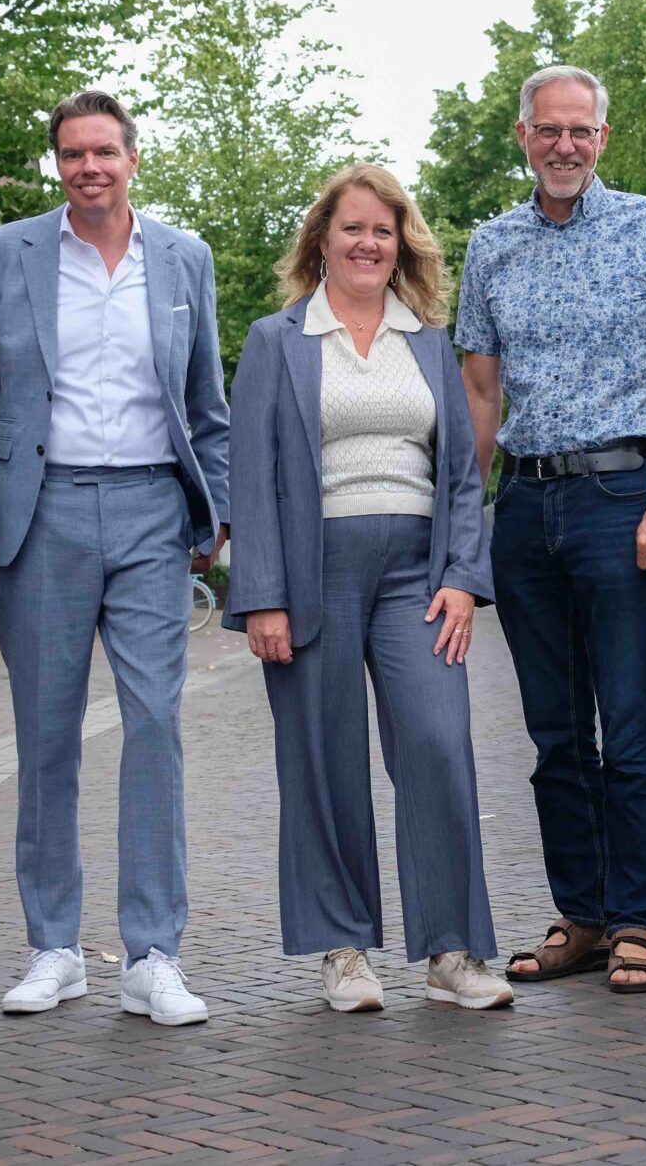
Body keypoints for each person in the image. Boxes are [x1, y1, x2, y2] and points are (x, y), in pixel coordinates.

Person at [0, 90, 231, 1027]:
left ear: (132, 158)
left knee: (154, 724)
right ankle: (55, 945)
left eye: (104, 152)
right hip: (42, 513)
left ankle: (153, 954)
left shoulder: (184, 257)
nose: (89, 167)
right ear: (58, 163)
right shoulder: (8, 254)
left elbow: (207, 402)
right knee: (46, 735)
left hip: (153, 509)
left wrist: (216, 512)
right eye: (73, 153)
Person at [223, 164, 512, 1013]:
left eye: (383, 230)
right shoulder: (277, 340)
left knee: (437, 743)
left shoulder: (426, 340)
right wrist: (262, 593)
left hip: (417, 576)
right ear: (322, 239)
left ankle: (452, 951)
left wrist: (462, 578)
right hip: (310, 571)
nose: (367, 243)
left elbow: (461, 473)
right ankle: (344, 948)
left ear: (401, 243)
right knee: (324, 758)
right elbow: (252, 476)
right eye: (352, 228)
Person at [456, 65, 646, 993]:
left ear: (602, 138)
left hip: (623, 498)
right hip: (526, 507)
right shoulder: (491, 245)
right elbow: (480, 392)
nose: (564, 145)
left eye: (581, 130)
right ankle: (585, 916)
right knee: (556, 734)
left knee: (630, 727)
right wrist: (464, 524)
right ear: (524, 136)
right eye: (548, 129)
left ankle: (640, 920)